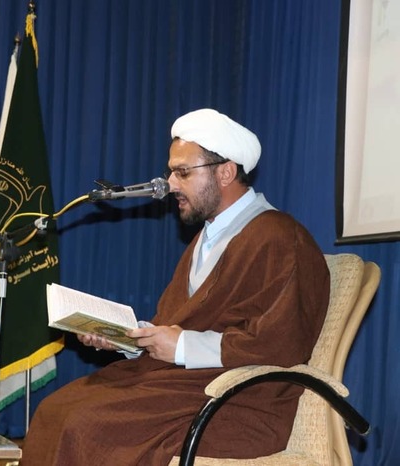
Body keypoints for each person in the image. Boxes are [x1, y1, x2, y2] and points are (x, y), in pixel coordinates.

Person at [21, 108, 330, 465]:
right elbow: (179, 324)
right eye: (171, 172)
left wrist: (181, 346)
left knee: (85, 424)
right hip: (184, 384)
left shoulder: (280, 237)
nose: (169, 184)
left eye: (183, 172)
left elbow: (280, 344)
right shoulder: (206, 238)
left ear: (226, 172)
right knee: (56, 409)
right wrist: (126, 339)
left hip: (239, 399)